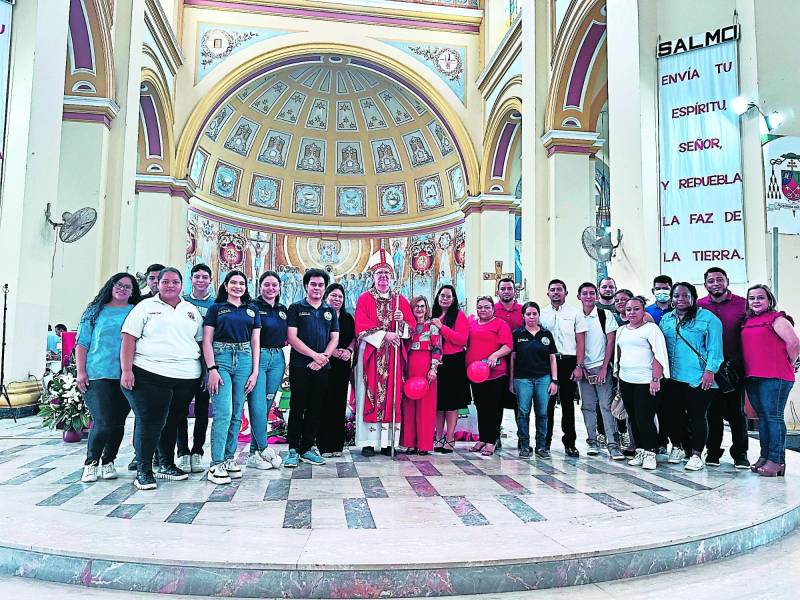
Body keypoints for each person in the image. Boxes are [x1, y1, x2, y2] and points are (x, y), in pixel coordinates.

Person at [120, 268, 203, 490]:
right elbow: (128, 338)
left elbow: (201, 341)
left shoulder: (191, 310)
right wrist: (126, 370)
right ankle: (144, 470)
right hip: (150, 374)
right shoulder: (145, 307)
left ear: (181, 285)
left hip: (186, 377)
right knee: (150, 421)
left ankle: (166, 463)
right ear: (157, 284)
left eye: (175, 281)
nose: (170, 285)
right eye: (165, 281)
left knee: (172, 421)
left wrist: (206, 371)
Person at [76, 273, 141, 483]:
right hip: (98, 373)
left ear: (133, 292)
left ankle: (108, 460)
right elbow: (82, 343)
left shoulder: (135, 312)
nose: (122, 289)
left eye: (127, 287)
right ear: (111, 286)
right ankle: (91, 462)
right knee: (103, 420)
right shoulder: (94, 312)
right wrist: (81, 371)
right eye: (119, 285)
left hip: (126, 374)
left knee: (118, 422)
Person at [353, 249, 415, 457]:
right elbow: (360, 326)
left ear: (392, 277)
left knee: (392, 395)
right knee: (369, 394)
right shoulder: (364, 299)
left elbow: (411, 330)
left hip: (393, 358)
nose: (383, 278)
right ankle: (369, 442)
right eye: (379, 274)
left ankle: (389, 441)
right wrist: (384, 335)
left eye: (386, 274)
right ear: (372, 276)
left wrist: (402, 322)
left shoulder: (400, 301)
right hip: (372, 354)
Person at [203, 270, 261, 485]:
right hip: (222, 359)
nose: (238, 286)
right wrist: (212, 369)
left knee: (237, 412)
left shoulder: (252, 310)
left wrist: (255, 372)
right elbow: (207, 340)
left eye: (242, 283)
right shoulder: (216, 308)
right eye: (234, 283)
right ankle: (215, 462)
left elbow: (256, 343)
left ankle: (229, 458)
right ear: (226, 286)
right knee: (223, 412)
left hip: (245, 359)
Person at [660, 282, 724, 472]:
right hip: (673, 378)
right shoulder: (666, 319)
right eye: (676, 296)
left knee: (697, 417)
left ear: (693, 297)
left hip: (699, 378)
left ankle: (696, 454)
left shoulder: (709, 319)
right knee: (672, 415)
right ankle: (678, 447)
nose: (680, 299)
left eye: (685, 296)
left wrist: (710, 371)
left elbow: (715, 349)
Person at [741, 284, 799, 477]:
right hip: (753, 376)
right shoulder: (748, 321)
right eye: (752, 298)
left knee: (773, 417)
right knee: (764, 418)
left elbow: (794, 343)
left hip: (775, 377)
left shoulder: (778, 319)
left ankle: (777, 461)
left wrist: (790, 362)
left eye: (760, 297)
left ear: (769, 300)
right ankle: (765, 456)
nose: (756, 301)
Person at [285, 268, 340, 467]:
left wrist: (323, 357)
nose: (317, 288)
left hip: (322, 367)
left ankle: (307, 448)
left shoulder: (329, 311)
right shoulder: (296, 308)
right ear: (306, 286)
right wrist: (314, 356)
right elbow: (292, 337)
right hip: (301, 366)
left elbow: (335, 338)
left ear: (325, 288)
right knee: (297, 407)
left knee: (315, 408)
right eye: (313, 284)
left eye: (320, 285)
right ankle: (292, 448)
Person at [697, 267, 749, 469]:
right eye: (711, 281)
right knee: (712, 413)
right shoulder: (699, 306)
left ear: (727, 281)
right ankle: (713, 452)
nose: (716, 283)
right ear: (705, 285)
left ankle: (740, 453)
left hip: (734, 368)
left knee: (737, 413)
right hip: (709, 369)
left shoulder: (743, 305)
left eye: (720, 279)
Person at [615, 296, 670, 471]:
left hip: (646, 381)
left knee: (644, 418)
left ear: (643, 310)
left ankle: (650, 452)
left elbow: (658, 355)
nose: (632, 312)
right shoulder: (622, 330)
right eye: (629, 309)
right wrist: (618, 378)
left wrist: (655, 379)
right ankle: (639, 450)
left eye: (636, 309)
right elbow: (620, 355)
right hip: (626, 380)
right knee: (633, 418)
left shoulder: (651, 329)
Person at [575, 282, 623, 459]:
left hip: (601, 367)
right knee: (587, 406)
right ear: (578, 296)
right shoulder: (575, 316)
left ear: (596, 296)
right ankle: (592, 441)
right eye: (584, 293)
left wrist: (604, 368)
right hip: (583, 368)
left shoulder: (605, 315)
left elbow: (611, 342)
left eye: (591, 293)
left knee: (606, 406)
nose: (588, 296)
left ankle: (612, 444)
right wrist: (580, 366)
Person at [540, 279, 587, 457]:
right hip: (547, 362)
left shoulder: (576, 313)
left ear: (566, 293)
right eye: (552, 290)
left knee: (568, 405)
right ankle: (544, 442)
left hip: (568, 361)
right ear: (548, 293)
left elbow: (581, 341)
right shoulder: (542, 314)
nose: (556, 293)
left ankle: (570, 444)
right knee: (547, 405)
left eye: (560, 289)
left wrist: (579, 365)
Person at [246, 270, 287, 470]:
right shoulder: (252, 307)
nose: (271, 288)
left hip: (278, 358)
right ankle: (263, 448)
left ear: (279, 288)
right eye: (267, 285)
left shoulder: (282, 309)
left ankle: (255, 454)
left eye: (274, 285)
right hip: (258, 358)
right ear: (260, 286)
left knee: (268, 402)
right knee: (258, 405)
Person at [177, 263, 215, 474]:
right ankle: (182, 452)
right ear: (191, 279)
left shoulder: (215, 304)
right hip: (184, 363)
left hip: (207, 364)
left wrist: (209, 368)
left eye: (204, 277)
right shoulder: (182, 303)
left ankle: (197, 452)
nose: (201, 280)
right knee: (180, 410)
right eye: (197, 277)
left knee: (202, 411)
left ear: (210, 280)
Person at [465, 296, 512, 456]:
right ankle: (482, 438)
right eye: (480, 307)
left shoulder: (500, 324)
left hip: (495, 373)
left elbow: (508, 346)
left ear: (493, 309)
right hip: (476, 374)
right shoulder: (472, 323)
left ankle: (492, 441)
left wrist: (495, 355)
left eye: (486, 307)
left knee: (494, 408)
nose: (483, 310)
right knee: (481, 406)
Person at [510, 302, 558, 458]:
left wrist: (554, 381)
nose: (531, 317)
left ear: (538, 315)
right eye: (528, 314)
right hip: (522, 379)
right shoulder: (517, 334)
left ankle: (541, 446)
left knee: (542, 413)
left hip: (543, 378)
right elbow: (513, 358)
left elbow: (552, 358)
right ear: (523, 316)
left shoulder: (546, 334)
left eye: (534, 314)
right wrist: (511, 381)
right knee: (523, 413)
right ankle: (524, 445)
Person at [431, 284, 469, 454]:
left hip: (454, 362)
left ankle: (450, 436)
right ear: (437, 297)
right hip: (435, 362)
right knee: (438, 403)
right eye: (442, 295)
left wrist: (442, 327)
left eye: (448, 296)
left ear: (453, 299)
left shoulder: (459, 316)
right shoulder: (432, 315)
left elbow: (461, 339)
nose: (444, 298)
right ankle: (438, 436)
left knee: (451, 403)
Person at [400, 295, 442, 455]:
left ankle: (424, 445)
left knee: (426, 408)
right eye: (416, 306)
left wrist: (433, 369)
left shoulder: (432, 325)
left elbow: (438, 348)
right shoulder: (407, 327)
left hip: (426, 368)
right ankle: (410, 443)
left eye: (422, 306)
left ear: (427, 308)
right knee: (409, 406)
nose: (419, 309)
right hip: (409, 367)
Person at [318, 282, 355, 457]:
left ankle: (337, 445)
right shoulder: (320, 316)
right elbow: (317, 338)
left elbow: (354, 338)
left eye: (340, 296)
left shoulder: (348, 318)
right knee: (324, 401)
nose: (337, 299)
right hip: (325, 362)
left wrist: (348, 351)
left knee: (339, 403)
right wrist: (332, 353)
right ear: (326, 297)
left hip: (343, 364)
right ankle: (323, 445)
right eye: (333, 295)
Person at [493, 277, 523, 446]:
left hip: (520, 361)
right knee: (497, 399)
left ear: (514, 291)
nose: (506, 291)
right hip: (498, 359)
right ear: (498, 292)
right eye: (503, 289)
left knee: (520, 399)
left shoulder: (522, 310)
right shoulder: (493, 310)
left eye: (509, 288)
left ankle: (522, 436)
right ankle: (495, 434)